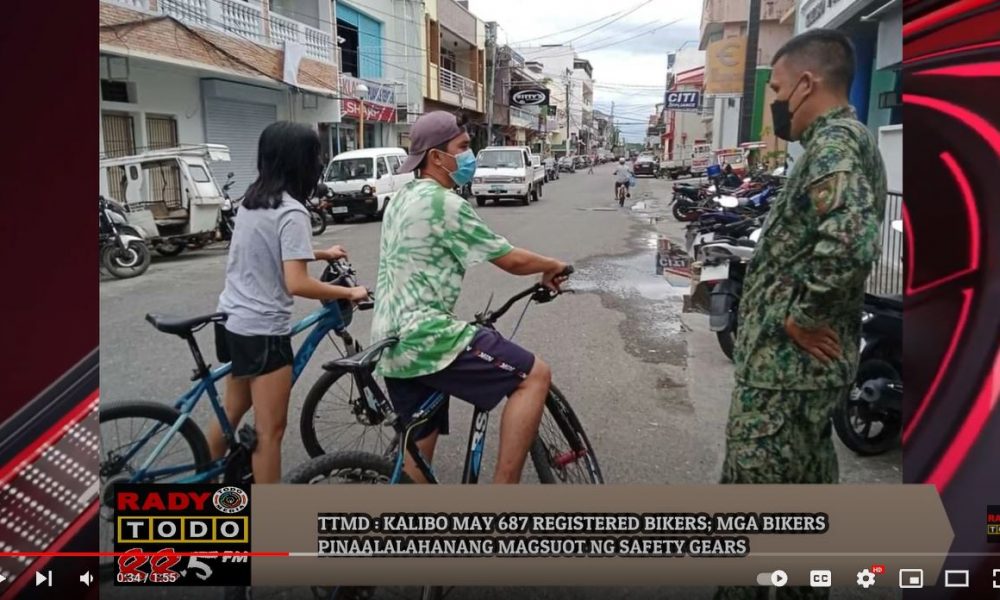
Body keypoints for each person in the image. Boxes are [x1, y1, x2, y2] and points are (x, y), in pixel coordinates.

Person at [715, 28, 887, 600]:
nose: (774, 103)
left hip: (784, 373)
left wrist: (802, 316)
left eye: (779, 89)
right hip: (800, 375)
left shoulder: (834, 144)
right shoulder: (843, 142)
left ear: (808, 84)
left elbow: (850, 240)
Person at [370, 111, 570, 484]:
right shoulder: (444, 203)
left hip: (391, 340)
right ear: (436, 157)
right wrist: (553, 264)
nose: (469, 156)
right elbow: (510, 259)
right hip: (426, 336)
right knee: (534, 375)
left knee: (419, 454)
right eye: (462, 148)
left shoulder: (402, 197)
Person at [205, 121, 369, 484]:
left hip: (233, 320)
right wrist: (349, 292)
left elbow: (268, 251)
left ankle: (203, 484)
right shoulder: (292, 211)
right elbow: (295, 282)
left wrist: (321, 252)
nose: (319, 160)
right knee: (269, 433)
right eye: (315, 153)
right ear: (301, 162)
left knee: (231, 411)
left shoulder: (253, 199)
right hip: (263, 333)